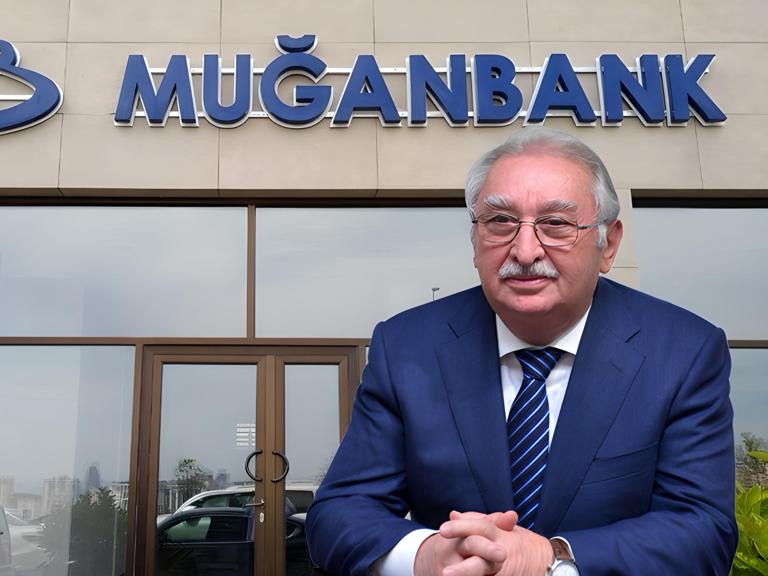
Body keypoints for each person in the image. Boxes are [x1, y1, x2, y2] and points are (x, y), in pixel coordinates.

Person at [306, 127, 737, 576]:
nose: (526, 251)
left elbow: (703, 530)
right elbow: (339, 512)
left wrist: (552, 559)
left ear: (607, 244)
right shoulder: (407, 348)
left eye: (556, 224)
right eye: (500, 221)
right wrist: (425, 555)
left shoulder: (683, 353)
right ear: (475, 240)